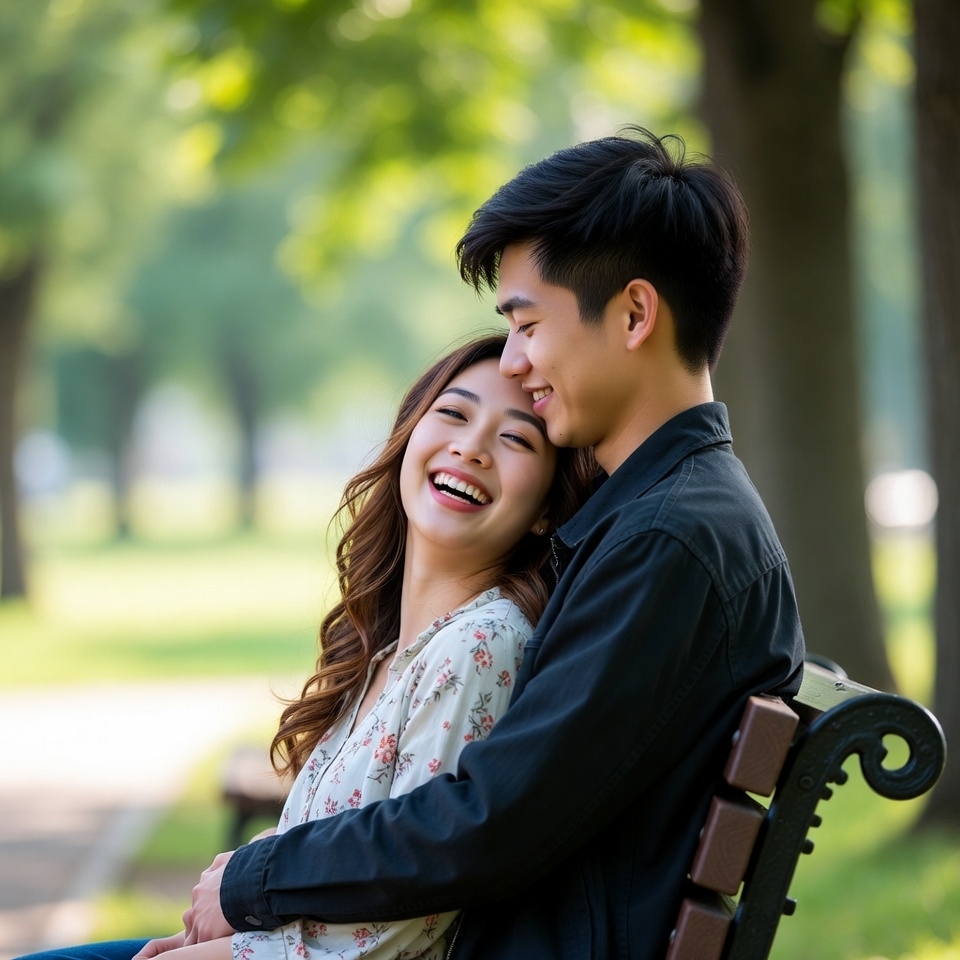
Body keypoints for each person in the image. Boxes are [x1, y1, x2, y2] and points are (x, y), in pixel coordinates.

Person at [30, 125, 806, 960]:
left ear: (634, 313)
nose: (517, 360)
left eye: (527, 324)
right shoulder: (659, 518)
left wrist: (255, 880)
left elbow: (487, 822)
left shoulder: (671, 538)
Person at [18, 334, 593, 960]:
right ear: (409, 440)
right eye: (453, 413)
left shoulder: (481, 645)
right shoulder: (392, 652)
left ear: (544, 510)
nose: (471, 447)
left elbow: (403, 930)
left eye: (515, 439)